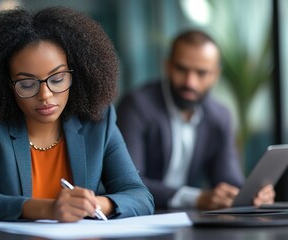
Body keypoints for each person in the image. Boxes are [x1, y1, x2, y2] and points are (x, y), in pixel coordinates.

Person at [0, 7, 154, 222]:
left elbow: (140, 195)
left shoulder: (98, 118)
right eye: (27, 84)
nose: (45, 95)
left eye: (57, 79)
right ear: (5, 84)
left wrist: (91, 205)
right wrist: (48, 209)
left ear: (76, 73)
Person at [116, 30, 274, 210]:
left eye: (202, 73)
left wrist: (252, 194)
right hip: (142, 216)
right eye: (182, 69)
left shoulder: (220, 116)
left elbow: (228, 178)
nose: (190, 82)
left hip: (190, 220)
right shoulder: (137, 106)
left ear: (215, 75)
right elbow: (130, 181)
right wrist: (196, 198)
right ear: (167, 66)